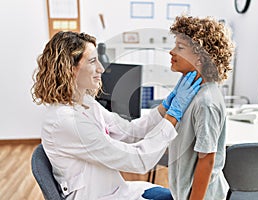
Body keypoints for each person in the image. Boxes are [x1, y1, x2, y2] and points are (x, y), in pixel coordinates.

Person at [31, 31, 202, 200]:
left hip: (114, 191)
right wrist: (173, 117)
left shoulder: (85, 102)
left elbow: (129, 131)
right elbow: (138, 160)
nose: (101, 68)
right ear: (69, 69)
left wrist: (164, 108)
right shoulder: (65, 121)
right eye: (92, 61)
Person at [143, 16, 235, 200]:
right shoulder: (191, 92)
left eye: (180, 47)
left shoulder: (205, 102)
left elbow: (207, 160)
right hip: (181, 193)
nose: (171, 52)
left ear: (200, 58)